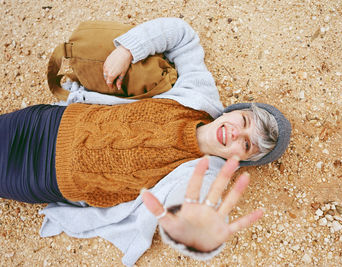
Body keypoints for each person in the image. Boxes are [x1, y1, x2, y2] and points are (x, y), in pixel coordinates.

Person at [0, 18, 291, 264]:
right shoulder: (200, 94)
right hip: (46, 124)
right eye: (244, 122)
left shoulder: (205, 175)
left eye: (246, 145)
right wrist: (128, 49)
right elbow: (183, 35)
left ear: (243, 160)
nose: (234, 134)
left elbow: (187, 207)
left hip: (43, 177)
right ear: (237, 111)